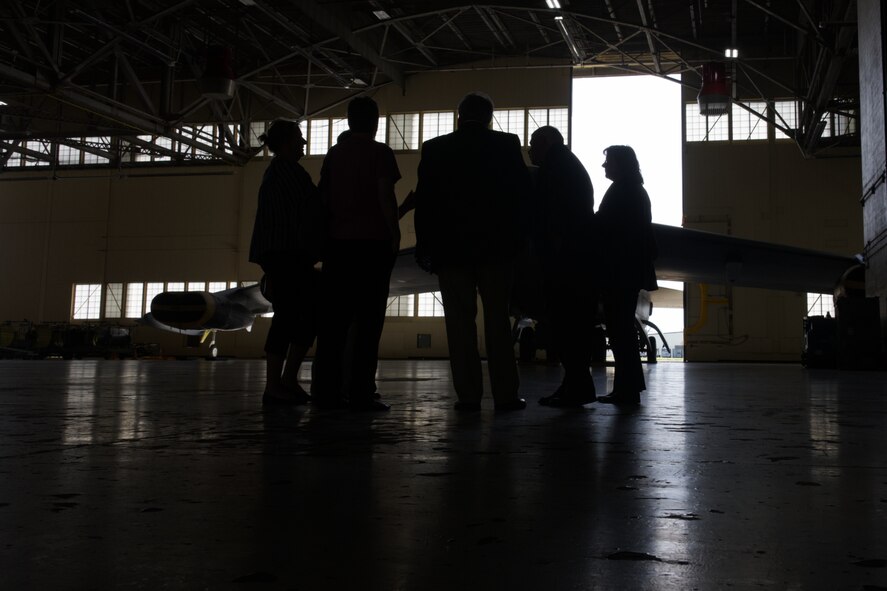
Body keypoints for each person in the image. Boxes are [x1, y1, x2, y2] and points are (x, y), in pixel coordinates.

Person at [414, 92, 530, 412]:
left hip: (451, 252)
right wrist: (519, 243)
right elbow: (521, 198)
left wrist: (426, 247)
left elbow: (425, 203)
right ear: (490, 117)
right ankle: (505, 395)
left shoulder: (436, 148)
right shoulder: (507, 145)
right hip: (496, 251)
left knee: (459, 325)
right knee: (497, 323)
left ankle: (468, 396)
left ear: (458, 116)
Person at [313, 96, 400, 411]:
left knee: (333, 323)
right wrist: (394, 234)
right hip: (372, 247)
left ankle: (325, 393)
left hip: (338, 246)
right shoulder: (380, 153)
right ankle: (362, 393)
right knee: (367, 322)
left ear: (349, 122)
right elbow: (384, 196)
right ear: (375, 121)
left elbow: (323, 200)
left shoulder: (334, 154)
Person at [248, 119, 322, 405]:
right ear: (288, 143)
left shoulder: (276, 173)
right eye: (300, 138)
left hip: (284, 256)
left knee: (298, 315)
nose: (304, 144)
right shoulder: (287, 171)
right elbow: (314, 205)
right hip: (286, 256)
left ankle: (284, 381)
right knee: (290, 317)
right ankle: (276, 384)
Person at [528, 125, 598, 407]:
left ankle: (576, 387)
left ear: (546, 142)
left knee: (568, 327)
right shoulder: (567, 165)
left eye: (533, 143)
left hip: (565, 265)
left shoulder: (555, 168)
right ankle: (575, 385)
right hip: (575, 262)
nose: (530, 150)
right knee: (572, 329)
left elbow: (552, 216)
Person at [595, 145, 658, 405]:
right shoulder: (635, 191)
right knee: (622, 332)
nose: (604, 166)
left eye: (608, 161)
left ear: (620, 164)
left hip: (619, 272)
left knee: (620, 331)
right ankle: (628, 388)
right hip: (628, 272)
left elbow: (607, 227)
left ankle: (627, 390)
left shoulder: (622, 191)